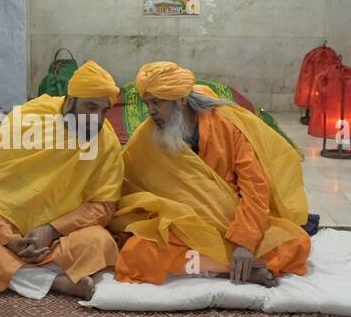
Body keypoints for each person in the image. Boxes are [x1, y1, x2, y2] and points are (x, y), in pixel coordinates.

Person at [0, 60, 124, 301]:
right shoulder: (26, 120)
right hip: (6, 232)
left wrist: (51, 230)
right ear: (69, 101)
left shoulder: (106, 142)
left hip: (61, 238)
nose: (97, 119)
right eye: (90, 107)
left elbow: (103, 207)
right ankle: (56, 282)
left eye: (103, 110)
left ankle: (12, 273)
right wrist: (10, 239)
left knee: (101, 243)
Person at [112, 61, 311, 286]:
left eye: (157, 102)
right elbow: (127, 183)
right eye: (148, 103)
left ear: (181, 99)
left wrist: (244, 243)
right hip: (183, 229)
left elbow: (255, 186)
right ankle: (231, 271)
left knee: (297, 242)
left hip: (233, 226)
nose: (151, 111)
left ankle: (214, 265)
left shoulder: (225, 125)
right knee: (136, 252)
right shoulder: (146, 137)